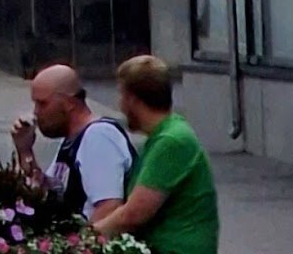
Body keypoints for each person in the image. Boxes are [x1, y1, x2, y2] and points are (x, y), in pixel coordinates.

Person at [90, 56, 216, 254]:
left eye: (121, 95)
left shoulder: (171, 141)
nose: (119, 104)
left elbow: (133, 215)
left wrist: (83, 239)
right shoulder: (165, 134)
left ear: (132, 100)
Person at [9, 63, 133, 213]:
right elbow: (48, 194)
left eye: (42, 104)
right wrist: (25, 150)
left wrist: (88, 229)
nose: (36, 112)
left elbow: (109, 207)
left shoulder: (99, 136)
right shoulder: (72, 139)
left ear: (69, 103)